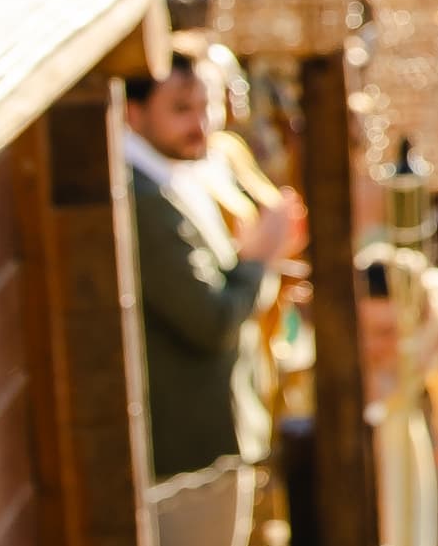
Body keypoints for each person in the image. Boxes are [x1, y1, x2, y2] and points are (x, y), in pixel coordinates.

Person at [122, 61, 304, 491]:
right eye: (182, 109)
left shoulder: (183, 174)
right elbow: (211, 319)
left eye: (208, 106)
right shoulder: (143, 198)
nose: (201, 124)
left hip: (213, 435)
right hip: (188, 451)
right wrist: (259, 257)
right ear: (134, 113)